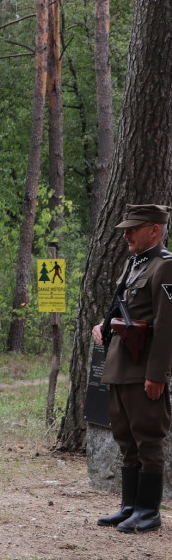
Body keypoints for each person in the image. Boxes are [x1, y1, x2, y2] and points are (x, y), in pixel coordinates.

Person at [92, 204, 172, 533]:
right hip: (120, 363)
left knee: (148, 439)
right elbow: (122, 306)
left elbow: (166, 327)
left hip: (143, 369)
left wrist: (157, 374)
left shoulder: (164, 268)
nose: (126, 234)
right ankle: (129, 506)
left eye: (133, 228)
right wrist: (103, 324)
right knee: (125, 438)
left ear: (154, 230)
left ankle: (148, 511)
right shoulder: (133, 265)